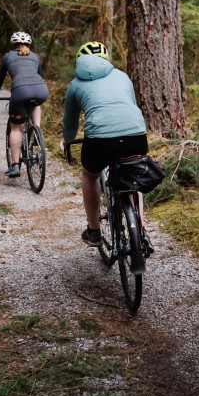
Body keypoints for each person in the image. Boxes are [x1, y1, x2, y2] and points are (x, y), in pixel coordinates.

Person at [62, 41, 150, 258]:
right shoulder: (122, 77)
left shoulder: (75, 84)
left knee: (90, 176)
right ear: (106, 59)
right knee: (133, 175)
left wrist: (68, 141)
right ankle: (141, 228)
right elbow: (130, 105)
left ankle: (93, 231)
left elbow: (70, 122)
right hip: (136, 134)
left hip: (100, 140)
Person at [0, 31, 48, 177]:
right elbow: (39, 77)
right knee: (35, 103)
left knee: (16, 129)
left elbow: (0, 79)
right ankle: (37, 131)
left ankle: (15, 166)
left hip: (20, 91)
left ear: (13, 44)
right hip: (41, 90)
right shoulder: (35, 56)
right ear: (29, 44)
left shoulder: (8, 56)